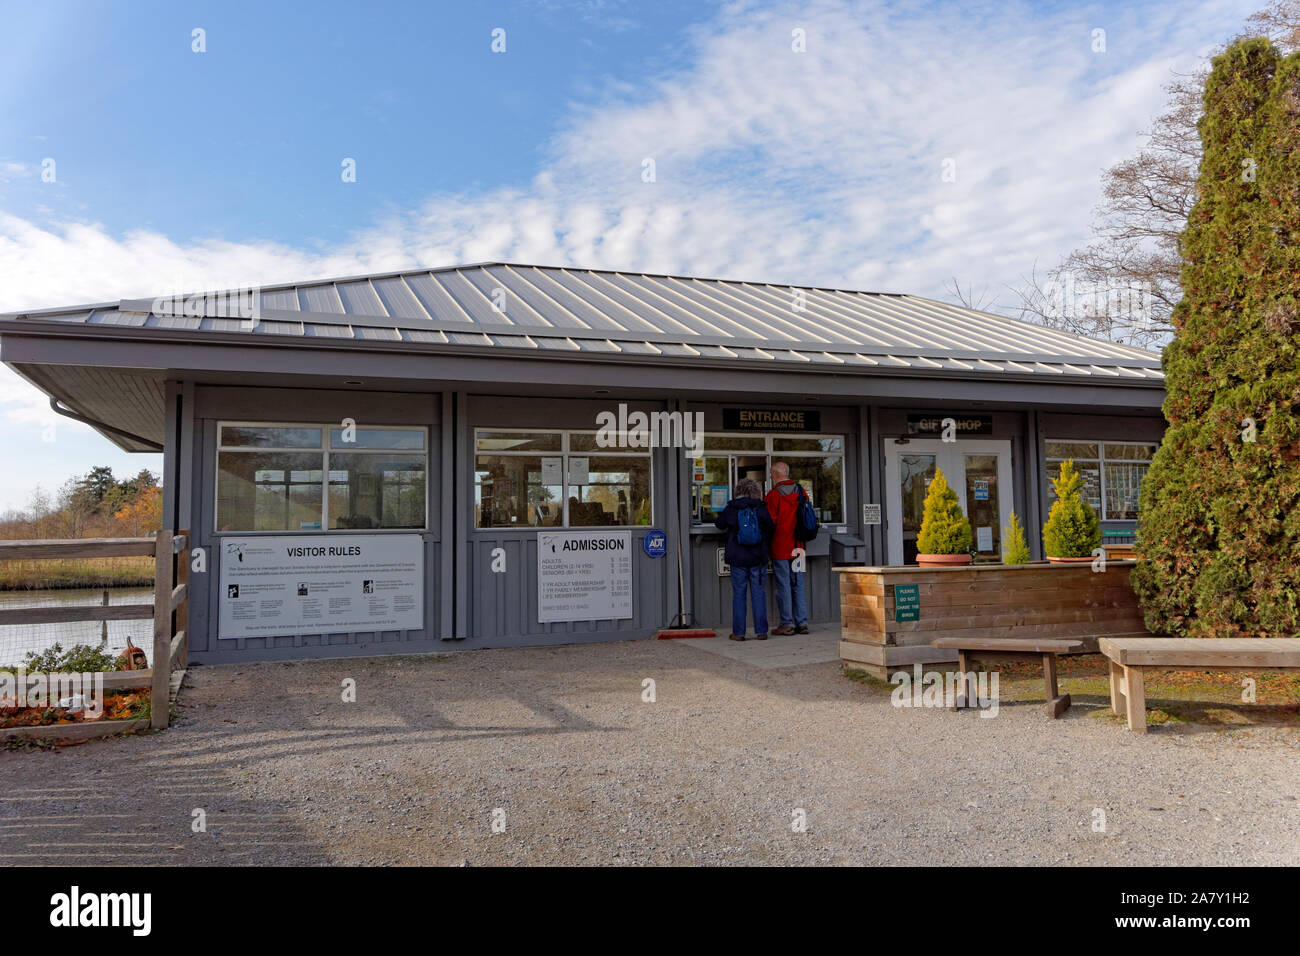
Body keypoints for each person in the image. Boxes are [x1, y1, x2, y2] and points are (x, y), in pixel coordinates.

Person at [714, 477, 775, 641]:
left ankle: (739, 633)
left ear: (738, 491)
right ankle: (761, 632)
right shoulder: (761, 507)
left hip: (737, 558)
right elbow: (771, 527)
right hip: (758, 558)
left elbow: (719, 524)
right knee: (758, 594)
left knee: (739, 594)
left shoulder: (732, 508)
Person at [765, 461, 809, 635]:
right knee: (798, 583)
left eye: (771, 473)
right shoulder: (801, 491)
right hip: (798, 547)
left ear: (776, 474)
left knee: (783, 584)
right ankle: (802, 622)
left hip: (780, 546)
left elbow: (770, 523)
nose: (770, 476)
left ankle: (787, 623)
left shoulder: (773, 495)